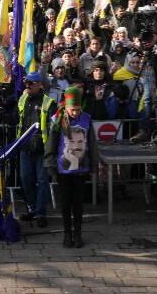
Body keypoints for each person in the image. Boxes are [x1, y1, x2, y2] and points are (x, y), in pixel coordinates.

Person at [45, 86, 93, 248]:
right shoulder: (57, 120)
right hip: (63, 169)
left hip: (81, 168)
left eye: (78, 109)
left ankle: (78, 233)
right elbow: (51, 145)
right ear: (66, 107)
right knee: (65, 203)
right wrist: (50, 166)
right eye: (72, 110)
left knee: (78, 203)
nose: (75, 113)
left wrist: (94, 164)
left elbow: (92, 143)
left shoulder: (87, 119)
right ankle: (67, 234)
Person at [16, 71, 56, 227]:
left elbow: (53, 127)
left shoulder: (49, 103)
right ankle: (32, 208)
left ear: (40, 84)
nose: (27, 85)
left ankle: (40, 213)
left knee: (42, 182)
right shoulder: (23, 99)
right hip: (25, 148)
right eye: (26, 83)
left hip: (42, 150)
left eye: (31, 83)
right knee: (26, 179)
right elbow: (18, 118)